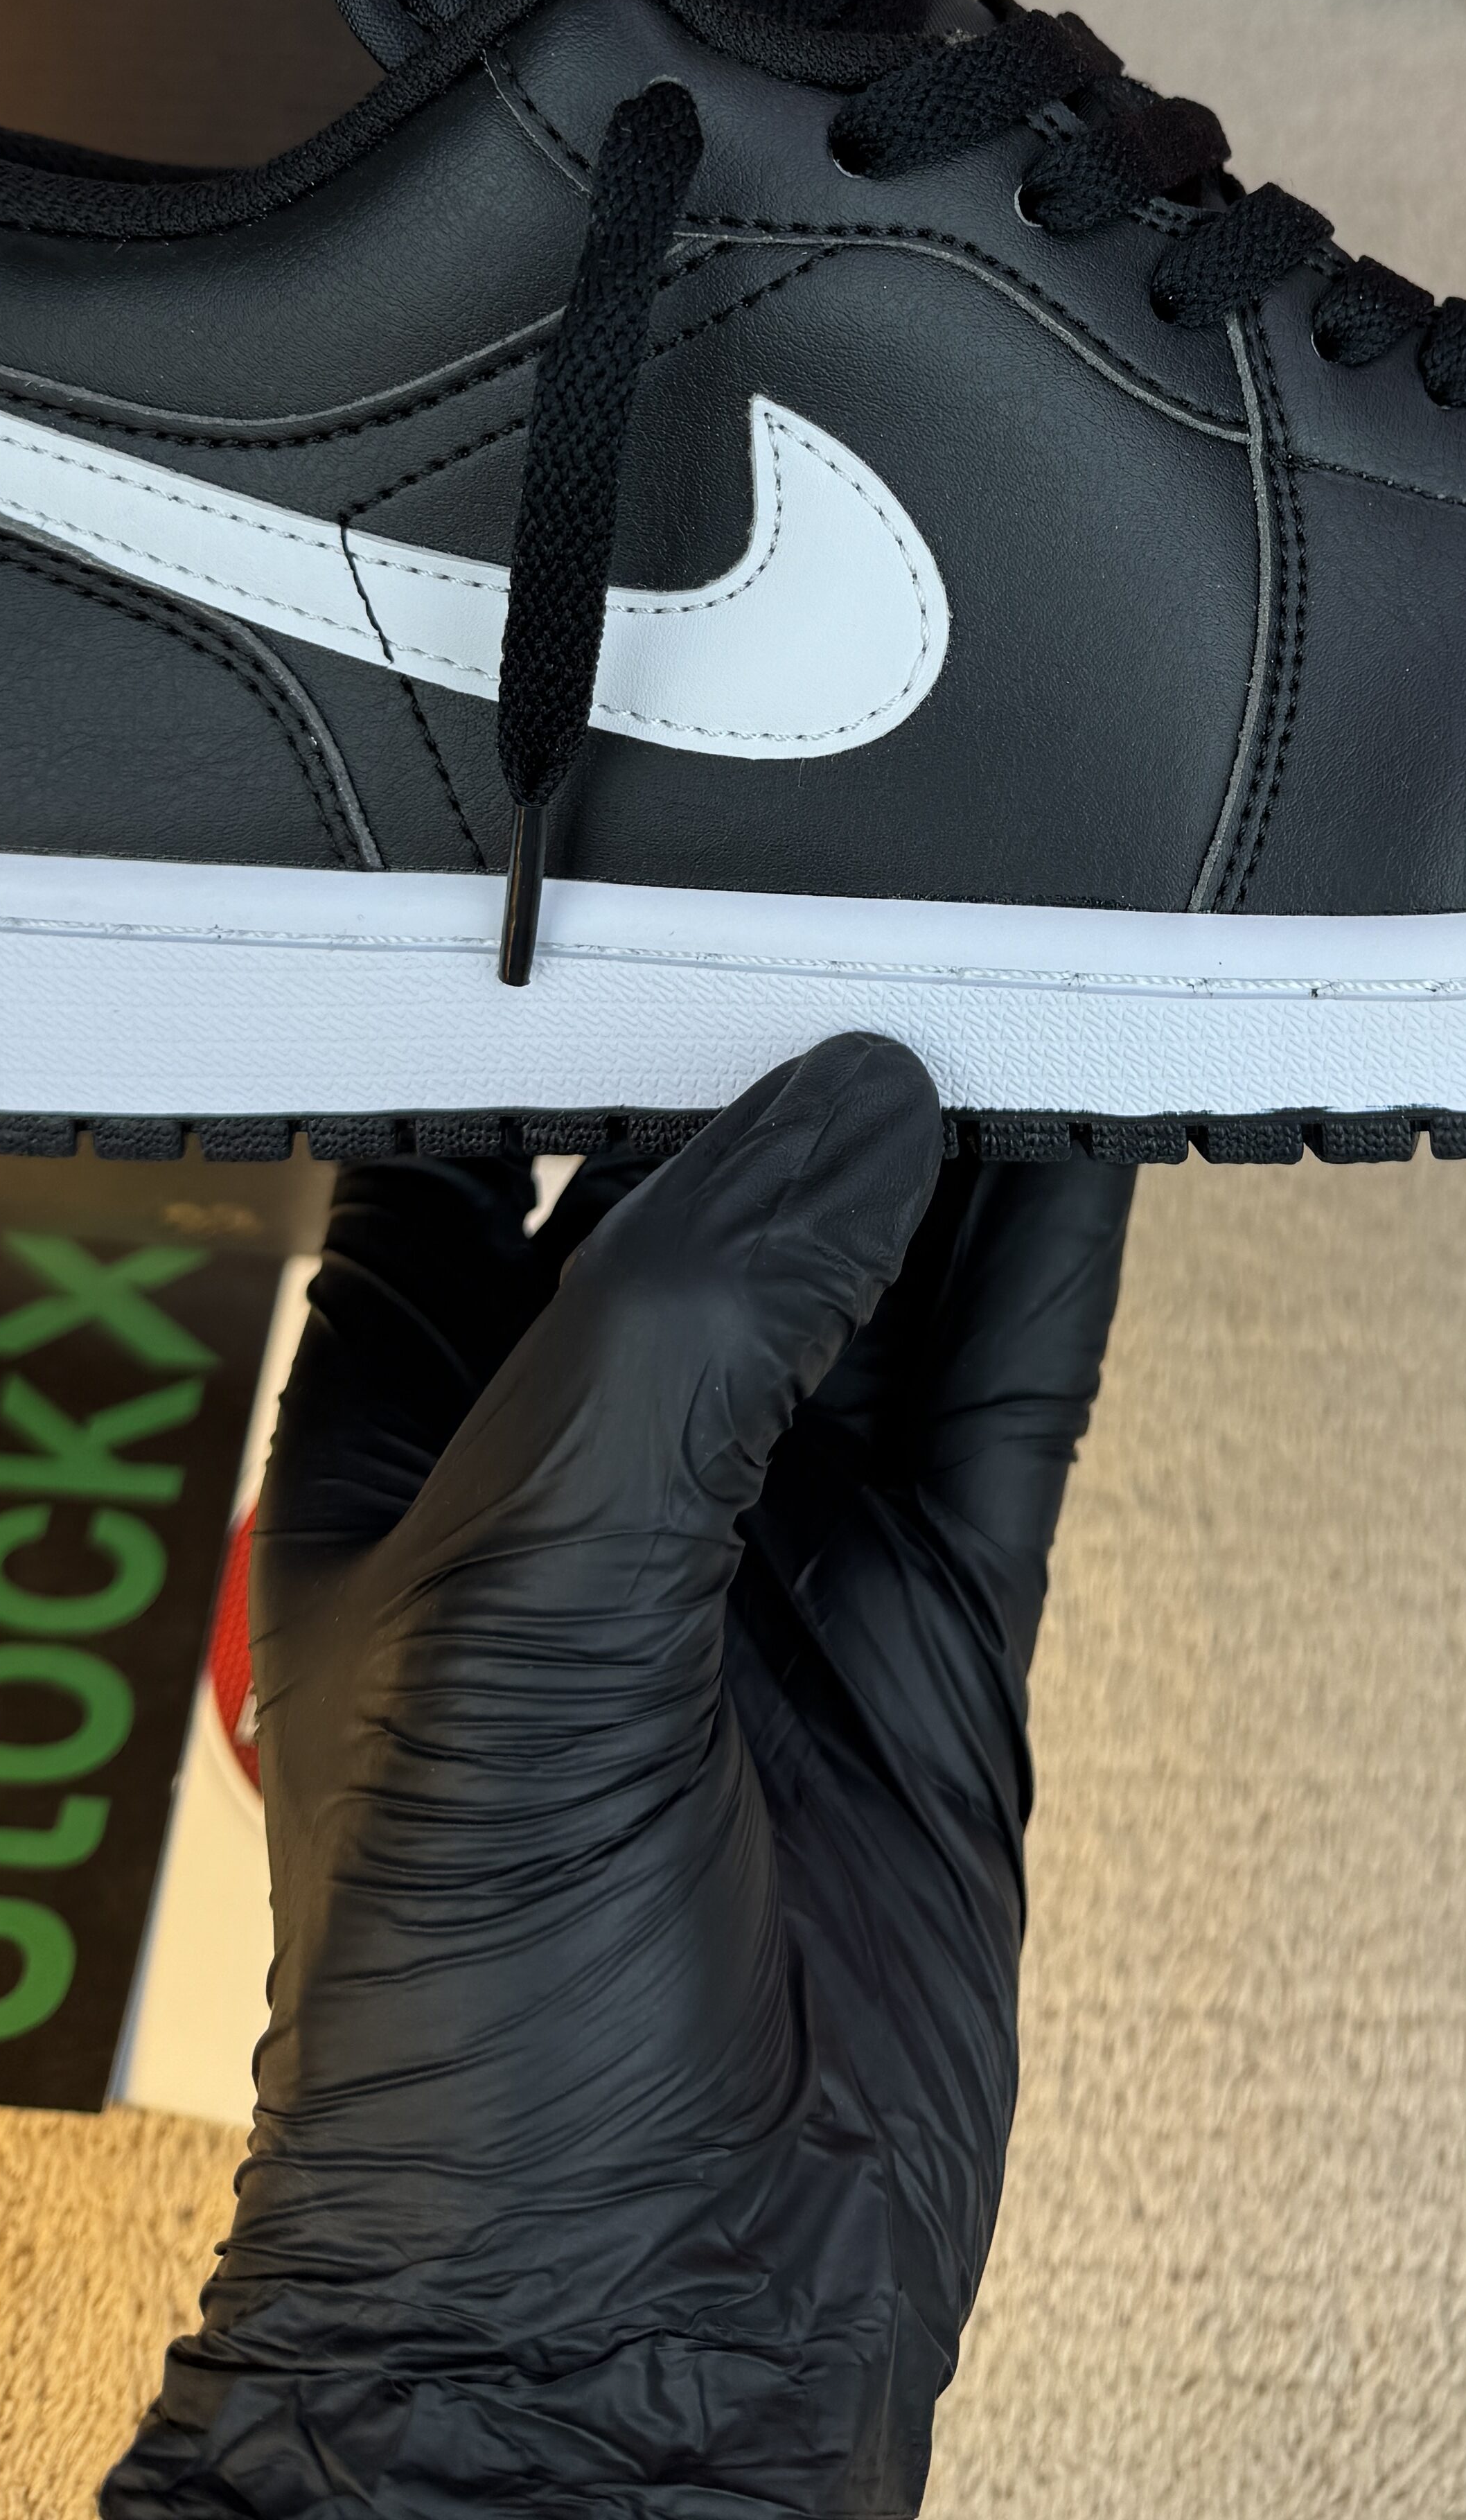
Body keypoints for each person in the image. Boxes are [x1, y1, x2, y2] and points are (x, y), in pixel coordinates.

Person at [105, 1034, 1137, 2517]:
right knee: (969, 1097)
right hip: (799, 2416)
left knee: (796, 1098)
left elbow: (868, 1102)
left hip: (764, 2413)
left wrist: (594, 2366)